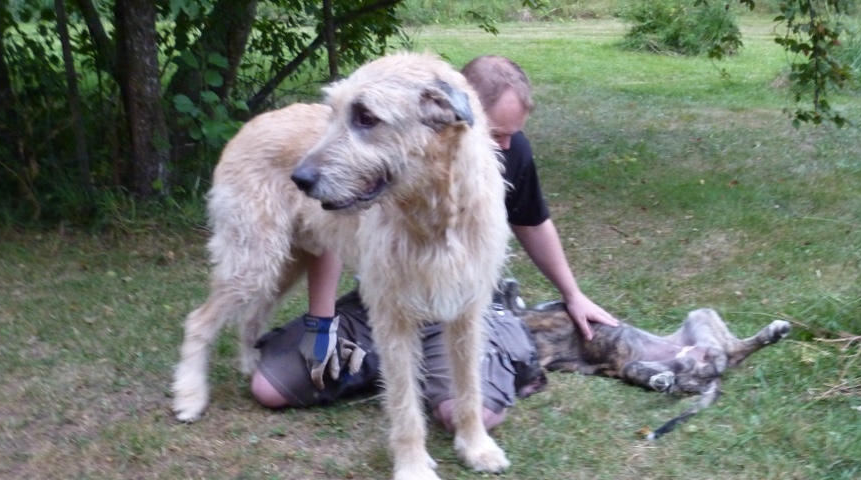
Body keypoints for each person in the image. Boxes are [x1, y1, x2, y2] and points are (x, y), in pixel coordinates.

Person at [250, 55, 618, 430]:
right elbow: (321, 237)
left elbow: (534, 222)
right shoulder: (383, 164)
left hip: (458, 309)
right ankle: (393, 365)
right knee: (270, 389)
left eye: (513, 133)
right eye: (495, 133)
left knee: (461, 417)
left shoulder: (511, 152)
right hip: (384, 306)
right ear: (451, 120)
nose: (503, 147)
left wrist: (572, 293)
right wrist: (322, 325)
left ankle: (501, 337)